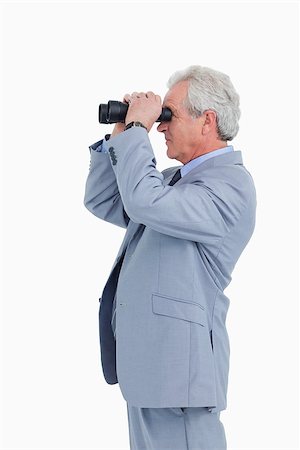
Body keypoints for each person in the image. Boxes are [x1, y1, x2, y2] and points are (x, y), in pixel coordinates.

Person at [83, 65, 256, 450]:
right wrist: (121, 133)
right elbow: (105, 200)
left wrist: (135, 133)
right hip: (151, 367)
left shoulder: (230, 185)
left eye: (169, 115)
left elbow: (144, 201)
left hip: (180, 379)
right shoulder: (174, 183)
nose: (160, 128)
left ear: (207, 120)